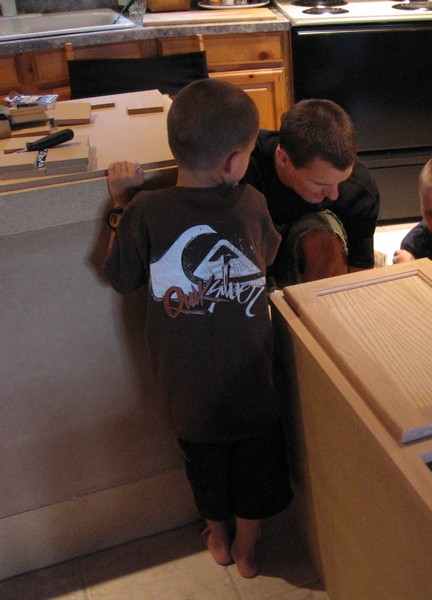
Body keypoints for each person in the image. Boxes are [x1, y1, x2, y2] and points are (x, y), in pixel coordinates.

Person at [103, 79, 292, 579]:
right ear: (232, 162)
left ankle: (219, 535)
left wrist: (120, 203)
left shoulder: (145, 210)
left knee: (203, 467)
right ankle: (249, 547)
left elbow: (121, 278)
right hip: (253, 379)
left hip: (186, 389)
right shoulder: (251, 202)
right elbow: (267, 257)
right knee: (258, 466)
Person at [242, 99, 380, 284]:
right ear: (283, 159)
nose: (334, 194)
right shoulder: (244, 166)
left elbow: (359, 271)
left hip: (309, 239)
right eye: (320, 184)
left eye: (341, 181)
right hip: (254, 245)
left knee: (323, 243)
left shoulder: (360, 189)